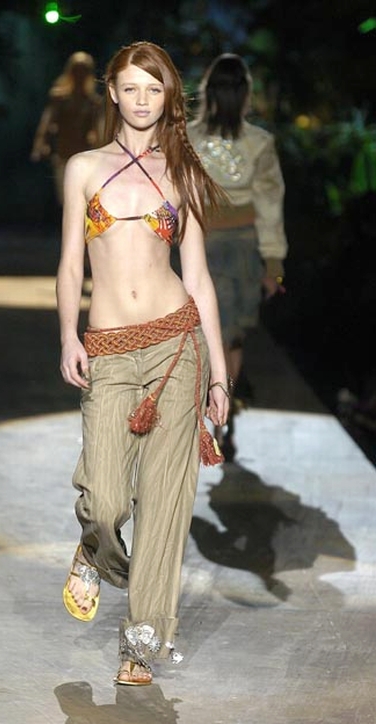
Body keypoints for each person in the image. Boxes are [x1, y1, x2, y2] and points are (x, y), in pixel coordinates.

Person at [56, 41, 231, 686]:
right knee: (104, 501)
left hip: (175, 347)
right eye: (130, 87)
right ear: (112, 91)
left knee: (164, 502)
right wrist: (67, 335)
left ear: (168, 97)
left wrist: (218, 373)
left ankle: (141, 642)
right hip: (107, 349)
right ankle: (95, 549)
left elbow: (199, 278)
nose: (141, 100)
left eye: (153, 89)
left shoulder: (183, 171)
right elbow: (70, 264)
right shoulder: (84, 168)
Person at [188, 53, 288, 459]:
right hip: (242, 248)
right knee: (231, 337)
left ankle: (212, 414)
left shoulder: (187, 138)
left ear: (208, 92)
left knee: (202, 333)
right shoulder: (259, 143)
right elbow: (269, 203)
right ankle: (223, 419)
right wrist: (274, 264)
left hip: (199, 245)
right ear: (246, 94)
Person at [30, 51, 103, 206]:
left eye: (83, 71)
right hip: (63, 154)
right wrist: (41, 144)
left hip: (84, 155)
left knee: (83, 198)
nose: (79, 75)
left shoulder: (93, 103)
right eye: (77, 71)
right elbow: (47, 122)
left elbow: (99, 130)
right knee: (66, 199)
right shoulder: (60, 99)